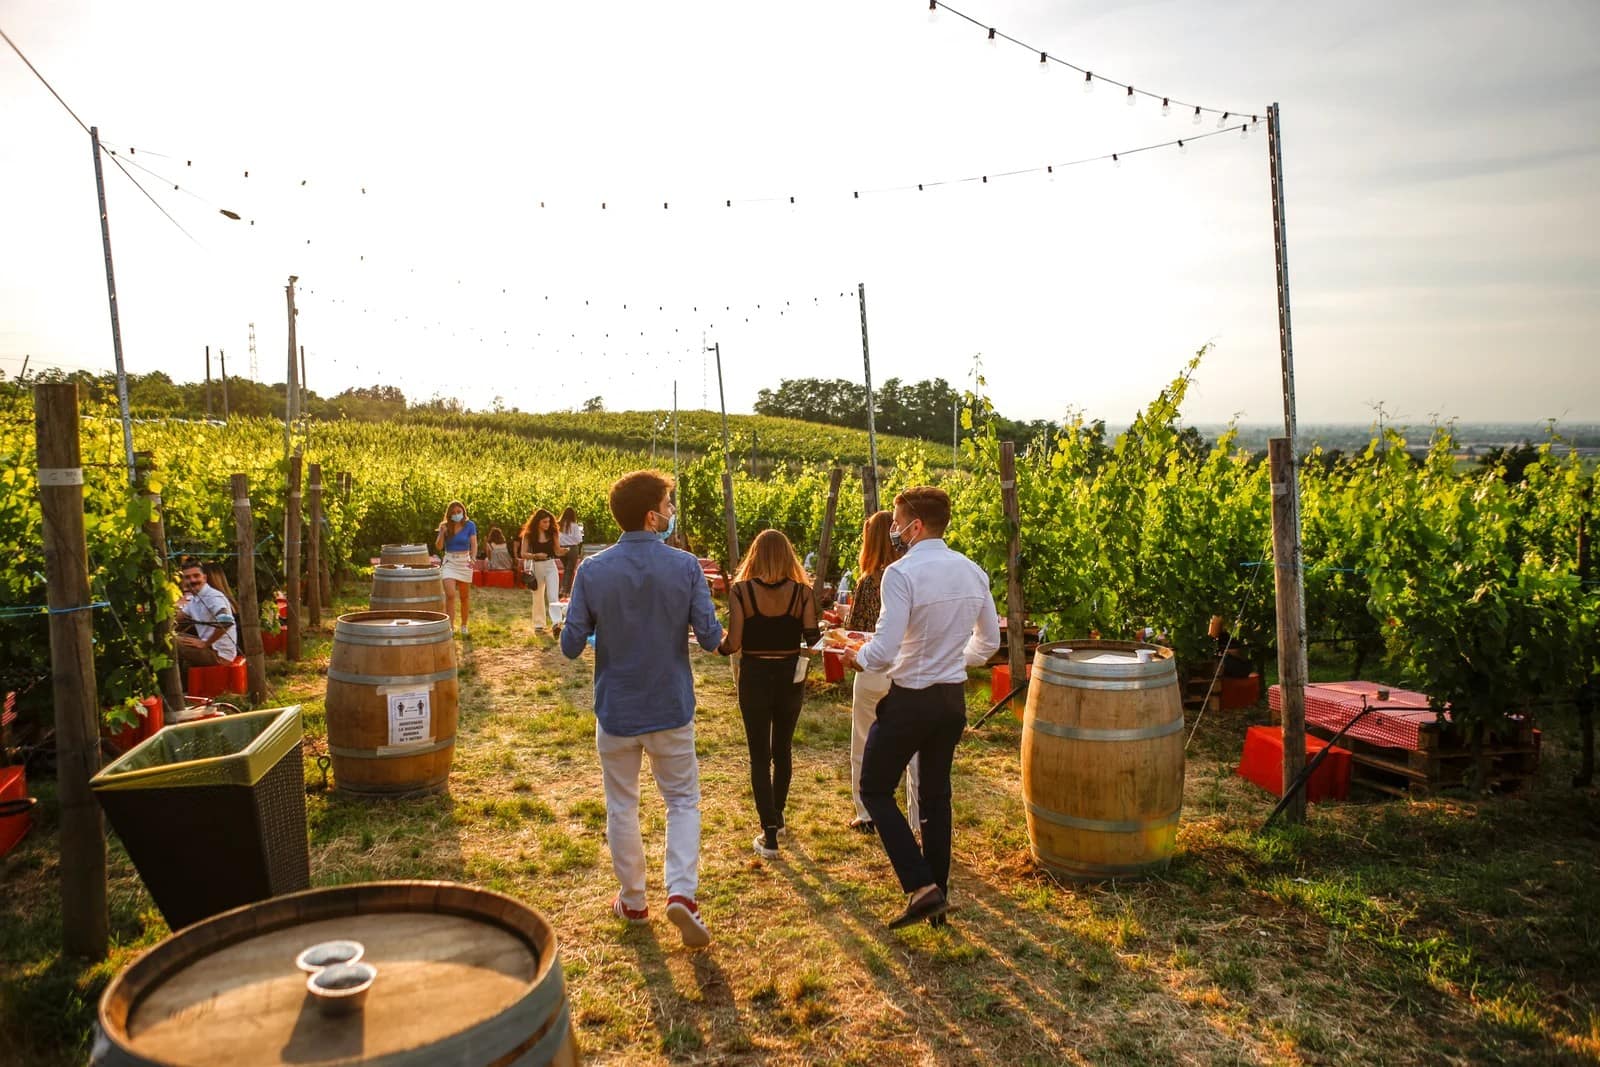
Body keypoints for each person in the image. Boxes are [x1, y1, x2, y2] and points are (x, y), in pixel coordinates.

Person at [560, 470, 723, 948]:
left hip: (616, 708)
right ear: (653, 516)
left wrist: (576, 624)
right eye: (669, 505)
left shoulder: (591, 570)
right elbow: (711, 638)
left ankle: (633, 899)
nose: (673, 513)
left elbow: (571, 645)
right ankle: (682, 893)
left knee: (622, 805)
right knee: (682, 800)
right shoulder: (686, 567)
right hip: (670, 705)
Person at [843, 486, 999, 930]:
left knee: (874, 789)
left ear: (915, 525)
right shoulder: (973, 571)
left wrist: (859, 657)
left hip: (910, 697)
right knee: (935, 795)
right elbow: (988, 643)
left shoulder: (902, 573)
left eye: (896, 522)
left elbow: (887, 648)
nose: (893, 530)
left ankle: (920, 884)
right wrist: (951, 658)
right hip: (951, 699)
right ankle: (939, 897)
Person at [716, 530, 820, 859]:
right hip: (790, 675)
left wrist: (717, 645)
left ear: (755, 555)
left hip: (755, 675)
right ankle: (779, 814)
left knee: (759, 756)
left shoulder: (741, 592)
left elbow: (733, 643)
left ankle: (769, 832)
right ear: (788, 556)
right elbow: (813, 639)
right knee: (783, 749)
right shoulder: (802, 593)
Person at [845, 510, 921, 835]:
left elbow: (854, 629)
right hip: (906, 669)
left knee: (863, 741)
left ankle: (866, 814)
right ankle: (919, 821)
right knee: (915, 751)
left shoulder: (868, 582)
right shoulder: (911, 576)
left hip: (872, 669)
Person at [174, 559, 237, 670]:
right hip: (211, 648)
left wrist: (205, 644)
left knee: (170, 641)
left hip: (219, 655)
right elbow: (178, 617)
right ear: (183, 580)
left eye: (196, 576)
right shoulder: (195, 599)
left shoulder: (213, 597)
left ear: (205, 578)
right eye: (188, 577)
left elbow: (226, 622)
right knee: (168, 636)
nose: (192, 580)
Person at [435, 500, 477, 637]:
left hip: (464, 562)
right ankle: (450, 626)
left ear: (463, 512)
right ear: (449, 514)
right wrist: (442, 533)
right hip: (450, 561)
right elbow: (439, 547)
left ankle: (464, 625)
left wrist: (473, 558)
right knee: (451, 594)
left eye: (459, 512)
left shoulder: (470, 525)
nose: (456, 514)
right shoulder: (445, 526)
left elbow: (474, 544)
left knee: (464, 597)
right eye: (453, 513)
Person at [520, 509, 562, 633]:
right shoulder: (529, 535)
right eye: (544, 522)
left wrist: (564, 551)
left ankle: (556, 623)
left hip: (550, 565)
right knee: (537, 595)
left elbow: (557, 550)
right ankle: (539, 624)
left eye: (549, 522)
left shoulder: (553, 533)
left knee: (553, 595)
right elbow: (523, 553)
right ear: (538, 522)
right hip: (537, 566)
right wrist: (535, 555)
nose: (547, 524)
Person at [557, 507, 584, 598]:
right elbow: (579, 539)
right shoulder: (574, 525)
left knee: (566, 569)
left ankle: (564, 589)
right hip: (572, 548)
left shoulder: (559, 525)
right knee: (569, 570)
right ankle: (565, 590)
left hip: (561, 548)